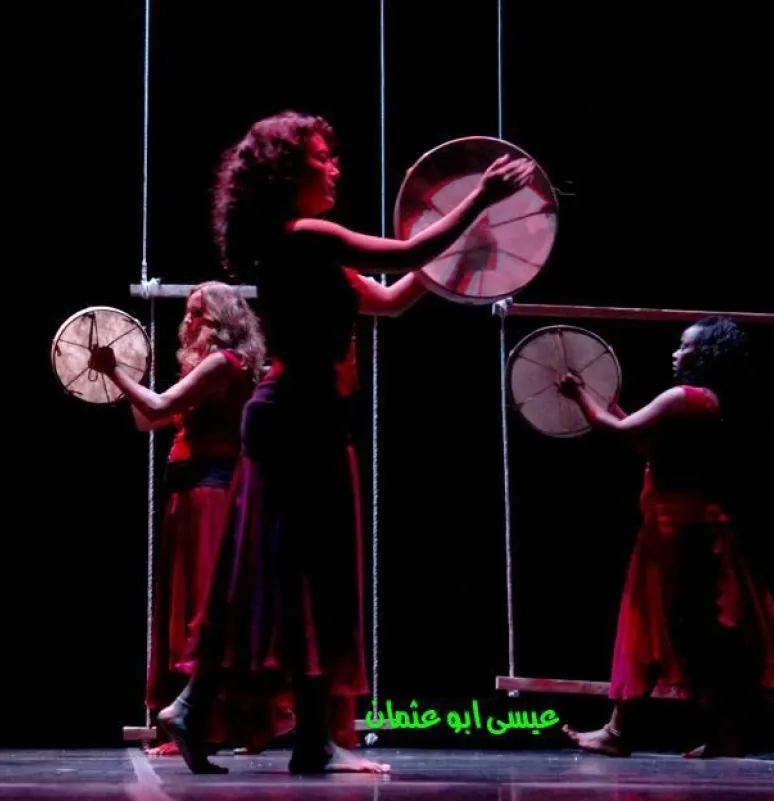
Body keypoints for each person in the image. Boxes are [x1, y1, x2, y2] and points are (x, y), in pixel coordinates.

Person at [156, 110, 535, 775]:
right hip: (297, 419)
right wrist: (479, 197)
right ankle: (241, 718)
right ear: (286, 172)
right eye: (320, 158)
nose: (334, 167)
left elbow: (389, 300)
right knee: (306, 577)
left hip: (303, 418)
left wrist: (462, 255)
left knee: (295, 578)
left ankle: (248, 720)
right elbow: (407, 253)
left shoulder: (302, 248)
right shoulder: (305, 236)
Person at [557, 317, 774, 758]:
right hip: (694, 527)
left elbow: (621, 433)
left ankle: (618, 732)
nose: (675, 353)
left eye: (684, 347)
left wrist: (579, 395)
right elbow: (646, 445)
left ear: (704, 356)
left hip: (674, 532)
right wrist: (606, 405)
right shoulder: (710, 401)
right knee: (696, 635)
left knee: (649, 626)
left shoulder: (683, 398)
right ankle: (720, 732)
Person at [87, 281, 274, 756]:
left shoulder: (222, 363)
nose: (187, 323)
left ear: (223, 322)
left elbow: (156, 405)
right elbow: (147, 421)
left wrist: (115, 371)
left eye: (198, 315)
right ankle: (201, 722)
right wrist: (128, 376)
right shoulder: (208, 366)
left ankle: (212, 722)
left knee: (203, 610)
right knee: (191, 608)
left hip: (211, 496)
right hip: (190, 495)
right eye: (187, 313)